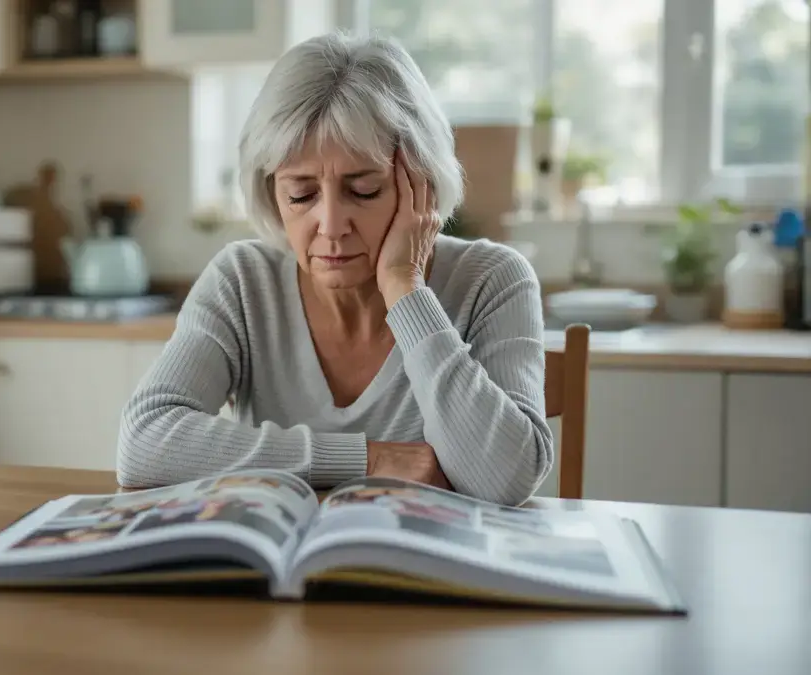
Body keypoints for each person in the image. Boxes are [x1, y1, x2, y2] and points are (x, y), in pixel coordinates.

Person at [116, 32, 553, 506]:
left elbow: (506, 480)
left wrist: (404, 288)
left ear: (421, 184)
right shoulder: (242, 280)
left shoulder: (493, 280)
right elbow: (144, 443)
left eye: (363, 190)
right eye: (301, 194)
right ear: (270, 191)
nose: (330, 225)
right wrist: (367, 460)